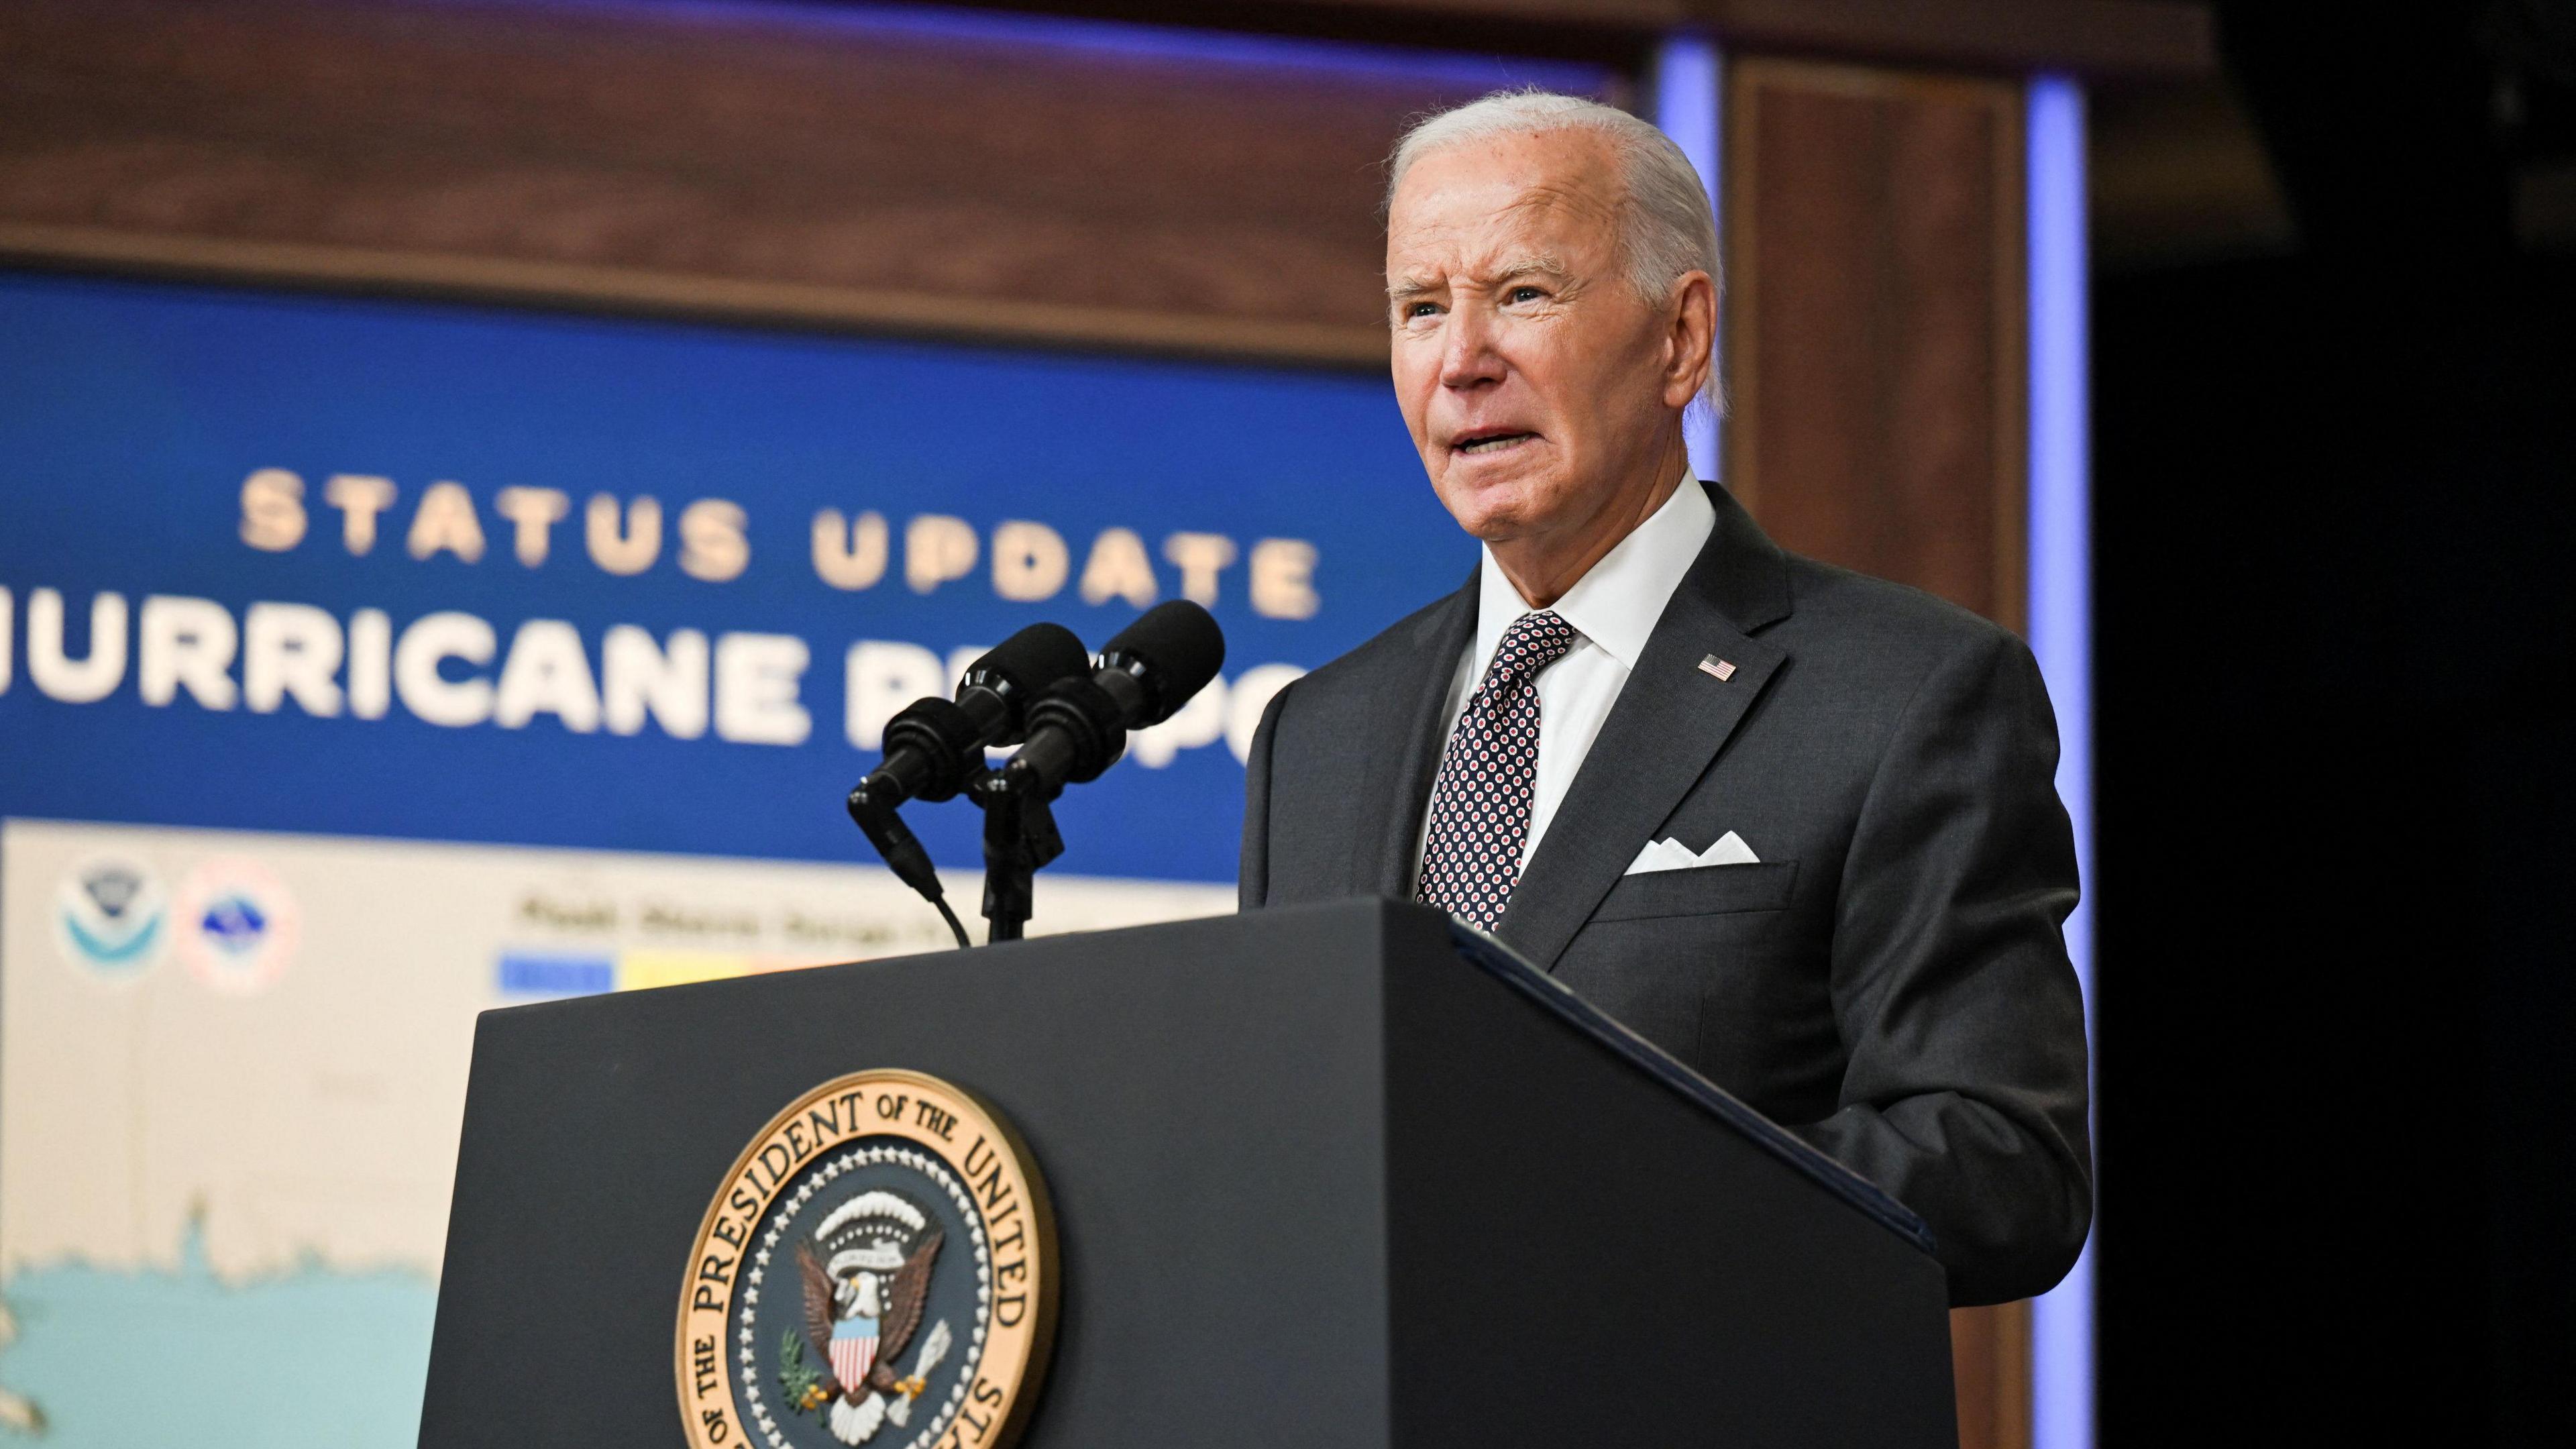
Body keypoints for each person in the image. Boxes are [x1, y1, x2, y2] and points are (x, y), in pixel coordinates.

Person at [1238, 91, 2090, 1307]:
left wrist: (1588, 1185)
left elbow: (2004, 1166)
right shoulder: (1317, 736)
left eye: (1523, 293)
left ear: (1680, 338)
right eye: (1421, 309)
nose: (1463, 359)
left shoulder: (1905, 693)